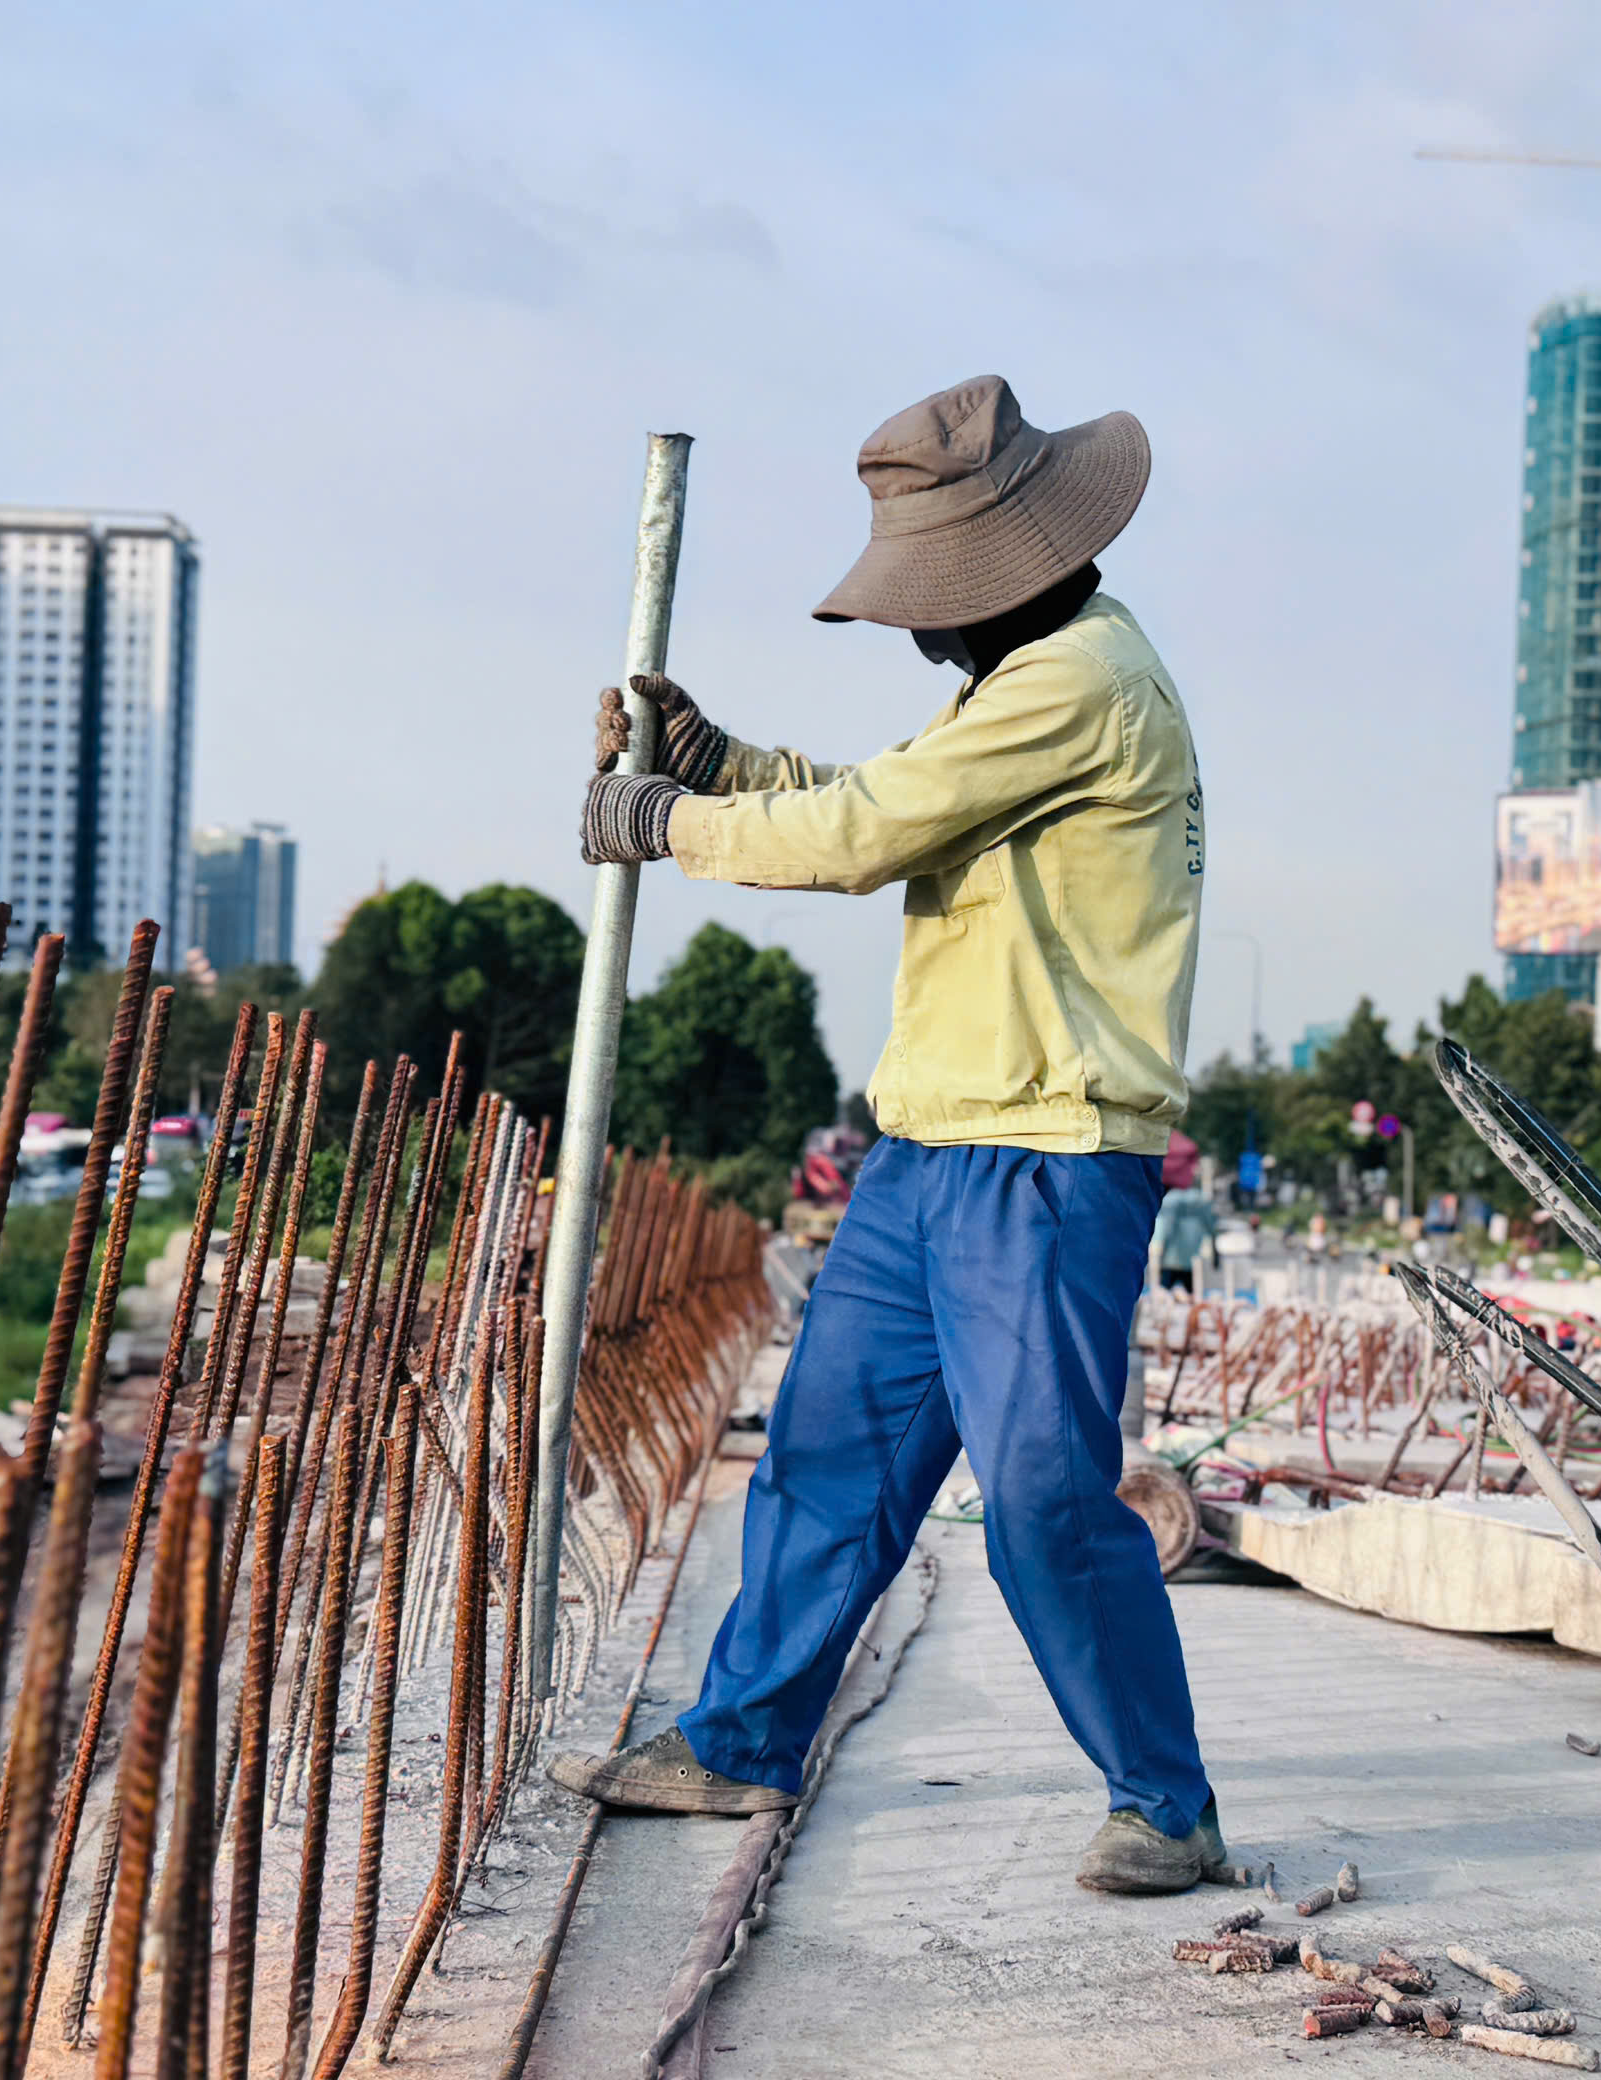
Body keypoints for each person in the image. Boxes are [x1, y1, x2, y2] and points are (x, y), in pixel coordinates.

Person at [550, 374, 1222, 1894]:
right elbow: (878, 797)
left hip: (1048, 1160)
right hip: (928, 1156)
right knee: (826, 1464)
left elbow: (859, 841)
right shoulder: (1011, 682)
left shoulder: (1084, 682)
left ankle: (1166, 1802)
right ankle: (739, 1745)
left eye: (933, 596)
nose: (922, 626)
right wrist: (714, 763)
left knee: (1045, 1501)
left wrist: (667, 823)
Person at [1153, 1132, 1215, 1295]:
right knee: (1193, 1297)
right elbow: (1211, 1227)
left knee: (1163, 1296)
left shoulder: (1170, 1201)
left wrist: (1160, 1254)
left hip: (1170, 1259)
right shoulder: (1202, 1200)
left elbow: (1167, 1229)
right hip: (1192, 1257)